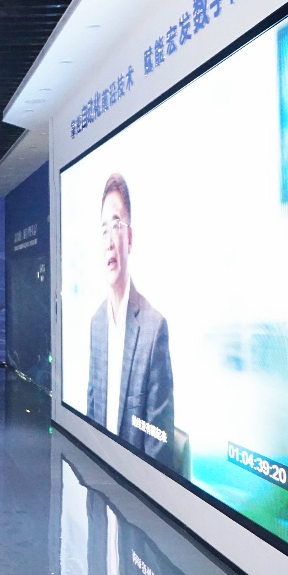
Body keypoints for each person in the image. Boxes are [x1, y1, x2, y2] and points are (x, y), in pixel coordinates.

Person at [87, 173, 175, 467]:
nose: (109, 241)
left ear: (130, 238)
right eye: (103, 230)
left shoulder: (154, 328)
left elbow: (158, 448)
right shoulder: (96, 324)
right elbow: (91, 414)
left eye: (116, 226)